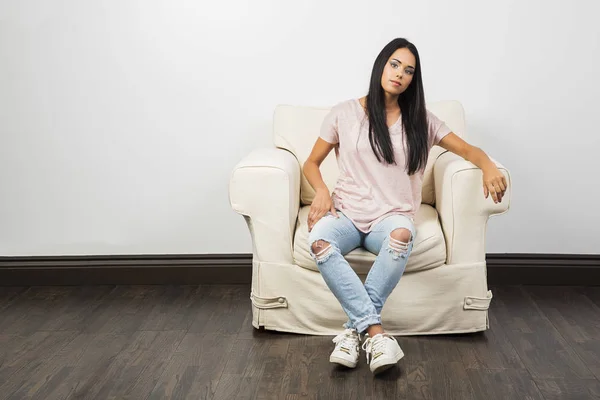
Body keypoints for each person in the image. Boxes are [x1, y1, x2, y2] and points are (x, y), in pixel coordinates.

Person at [302, 38, 508, 375]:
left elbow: (468, 151)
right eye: (395, 64)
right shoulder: (344, 113)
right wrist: (322, 191)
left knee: (401, 233)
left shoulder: (421, 120)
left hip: (391, 215)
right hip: (346, 213)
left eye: (409, 70)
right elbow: (311, 162)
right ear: (381, 65)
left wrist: (487, 164)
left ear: (414, 79)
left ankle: (353, 333)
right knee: (319, 240)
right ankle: (375, 334)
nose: (400, 74)